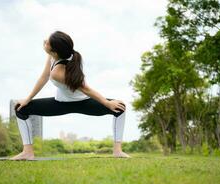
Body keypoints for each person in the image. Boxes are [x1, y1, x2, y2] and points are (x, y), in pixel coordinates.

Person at [9, 30, 131, 160]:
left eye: (47, 42)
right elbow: (43, 77)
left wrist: (107, 103)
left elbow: (86, 89)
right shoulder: (53, 57)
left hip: (84, 103)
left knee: (120, 107)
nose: (44, 41)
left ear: (55, 51)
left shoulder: (58, 72)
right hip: (60, 103)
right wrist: (27, 99)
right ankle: (27, 152)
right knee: (21, 109)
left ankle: (117, 151)